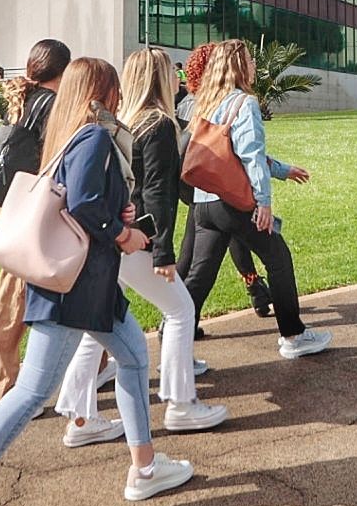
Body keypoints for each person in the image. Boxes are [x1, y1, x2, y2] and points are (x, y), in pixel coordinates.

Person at [0, 57, 194, 506]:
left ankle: (146, 466)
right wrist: (124, 232)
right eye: (111, 88)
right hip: (77, 285)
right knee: (31, 391)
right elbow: (87, 205)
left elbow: (82, 197)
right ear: (103, 91)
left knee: (133, 357)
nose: (116, 98)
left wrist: (118, 207)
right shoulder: (91, 136)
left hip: (87, 285)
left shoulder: (69, 134)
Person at [56, 46, 228, 445]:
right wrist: (163, 251)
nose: (178, 77)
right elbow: (158, 193)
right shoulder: (160, 125)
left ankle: (80, 418)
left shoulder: (124, 123)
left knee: (97, 325)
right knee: (181, 310)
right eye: (172, 72)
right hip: (136, 240)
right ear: (159, 79)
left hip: (113, 240)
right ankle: (181, 404)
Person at [181, 39, 329, 359]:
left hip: (204, 203)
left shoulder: (201, 104)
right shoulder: (243, 103)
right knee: (278, 259)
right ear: (238, 66)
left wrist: (284, 170)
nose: (254, 65)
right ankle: (293, 336)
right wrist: (263, 202)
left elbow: (225, 155)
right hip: (234, 203)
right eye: (249, 59)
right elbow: (250, 156)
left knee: (199, 278)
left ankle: (174, 350)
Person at [0, 39, 71, 418]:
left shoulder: (22, 101)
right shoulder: (49, 105)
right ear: (62, 71)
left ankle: (89, 370)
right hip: (29, 210)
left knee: (23, 295)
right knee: (16, 298)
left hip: (11, 205)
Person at [176, 42, 274, 324]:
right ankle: (258, 292)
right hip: (218, 188)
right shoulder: (223, 103)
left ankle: (178, 319)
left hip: (198, 188)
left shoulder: (193, 103)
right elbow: (248, 154)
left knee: (198, 259)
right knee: (263, 252)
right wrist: (263, 199)